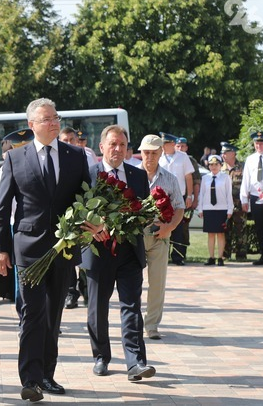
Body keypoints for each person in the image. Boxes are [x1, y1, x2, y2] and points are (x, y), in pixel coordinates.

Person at [0, 98, 97, 401]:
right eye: (46, 119)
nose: (53, 123)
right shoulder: (15, 158)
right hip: (29, 249)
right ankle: (30, 379)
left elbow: (87, 198)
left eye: (55, 118)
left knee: (53, 316)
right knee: (32, 313)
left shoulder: (76, 156)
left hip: (64, 249)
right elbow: (1, 209)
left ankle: (47, 376)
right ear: (31, 125)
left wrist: (91, 224)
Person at [83, 124, 155, 382]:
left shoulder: (137, 176)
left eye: (122, 145)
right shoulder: (89, 174)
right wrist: (92, 228)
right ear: (102, 147)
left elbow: (145, 212)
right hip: (98, 251)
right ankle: (101, 356)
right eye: (113, 144)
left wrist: (141, 219)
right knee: (97, 308)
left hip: (129, 253)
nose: (117, 149)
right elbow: (78, 211)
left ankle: (135, 362)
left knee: (131, 307)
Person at [137, 134, 184, 340]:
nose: (149, 157)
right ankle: (133, 322)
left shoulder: (170, 178)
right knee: (132, 282)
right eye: (146, 152)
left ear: (161, 153)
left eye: (154, 153)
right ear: (141, 152)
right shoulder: (130, 175)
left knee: (157, 282)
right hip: (134, 237)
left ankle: (152, 324)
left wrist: (170, 227)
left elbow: (180, 207)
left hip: (159, 235)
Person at [0, 129, 33, 307]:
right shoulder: (8, 168)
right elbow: (0, 206)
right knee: (22, 277)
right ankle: (25, 316)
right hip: (17, 226)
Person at [58, 127, 88, 309]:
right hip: (64, 219)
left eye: (71, 139)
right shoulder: (56, 156)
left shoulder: (85, 155)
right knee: (68, 258)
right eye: (65, 140)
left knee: (84, 258)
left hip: (81, 215)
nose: (68, 143)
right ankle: (71, 293)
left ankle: (86, 290)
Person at [158, 132, 194, 265]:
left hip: (179, 196)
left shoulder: (183, 157)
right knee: (162, 224)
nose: (162, 146)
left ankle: (178, 256)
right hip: (162, 197)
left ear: (172, 144)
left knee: (178, 227)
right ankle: (163, 256)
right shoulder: (159, 157)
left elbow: (188, 177)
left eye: (164, 144)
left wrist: (189, 195)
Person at [240, 131, 263, 265]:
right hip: (255, 197)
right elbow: (246, 180)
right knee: (260, 228)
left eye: (262, 142)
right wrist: (244, 199)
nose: (259, 145)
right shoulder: (251, 159)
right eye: (256, 143)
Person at [197, 155, 234, 266]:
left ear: (220, 165)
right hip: (209, 208)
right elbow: (201, 194)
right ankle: (211, 257)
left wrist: (229, 210)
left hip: (221, 208)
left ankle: (220, 257)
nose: (213, 167)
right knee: (211, 234)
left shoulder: (225, 178)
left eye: (216, 164)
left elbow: (229, 194)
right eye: (211, 165)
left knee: (221, 234)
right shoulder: (205, 178)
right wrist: (200, 208)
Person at [221, 142, 248, 261]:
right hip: (225, 206)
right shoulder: (220, 168)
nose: (223, 155)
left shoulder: (243, 167)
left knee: (240, 230)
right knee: (225, 229)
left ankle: (241, 255)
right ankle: (225, 254)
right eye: (222, 152)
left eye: (225, 152)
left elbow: (247, 185)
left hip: (239, 205)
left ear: (233, 153)